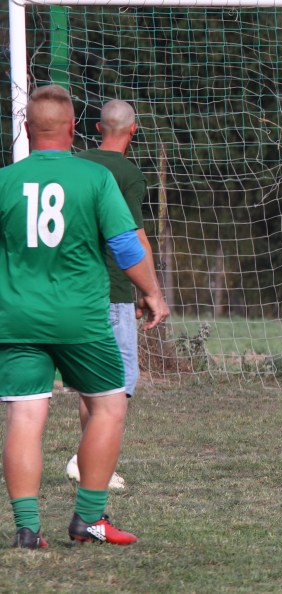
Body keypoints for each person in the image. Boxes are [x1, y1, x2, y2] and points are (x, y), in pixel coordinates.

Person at [0, 85, 169, 548]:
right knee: (109, 406)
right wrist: (152, 293)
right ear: (74, 129)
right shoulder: (95, 178)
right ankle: (90, 519)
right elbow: (126, 247)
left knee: (24, 418)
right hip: (82, 320)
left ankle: (27, 530)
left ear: (25, 129)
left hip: (17, 319)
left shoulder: (5, 181)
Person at [65, 99, 153, 491]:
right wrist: (150, 291)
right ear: (134, 130)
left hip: (74, 288)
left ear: (99, 128)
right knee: (117, 382)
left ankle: (85, 458)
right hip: (113, 289)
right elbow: (134, 237)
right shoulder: (128, 174)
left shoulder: (75, 165)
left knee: (90, 381)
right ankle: (89, 461)